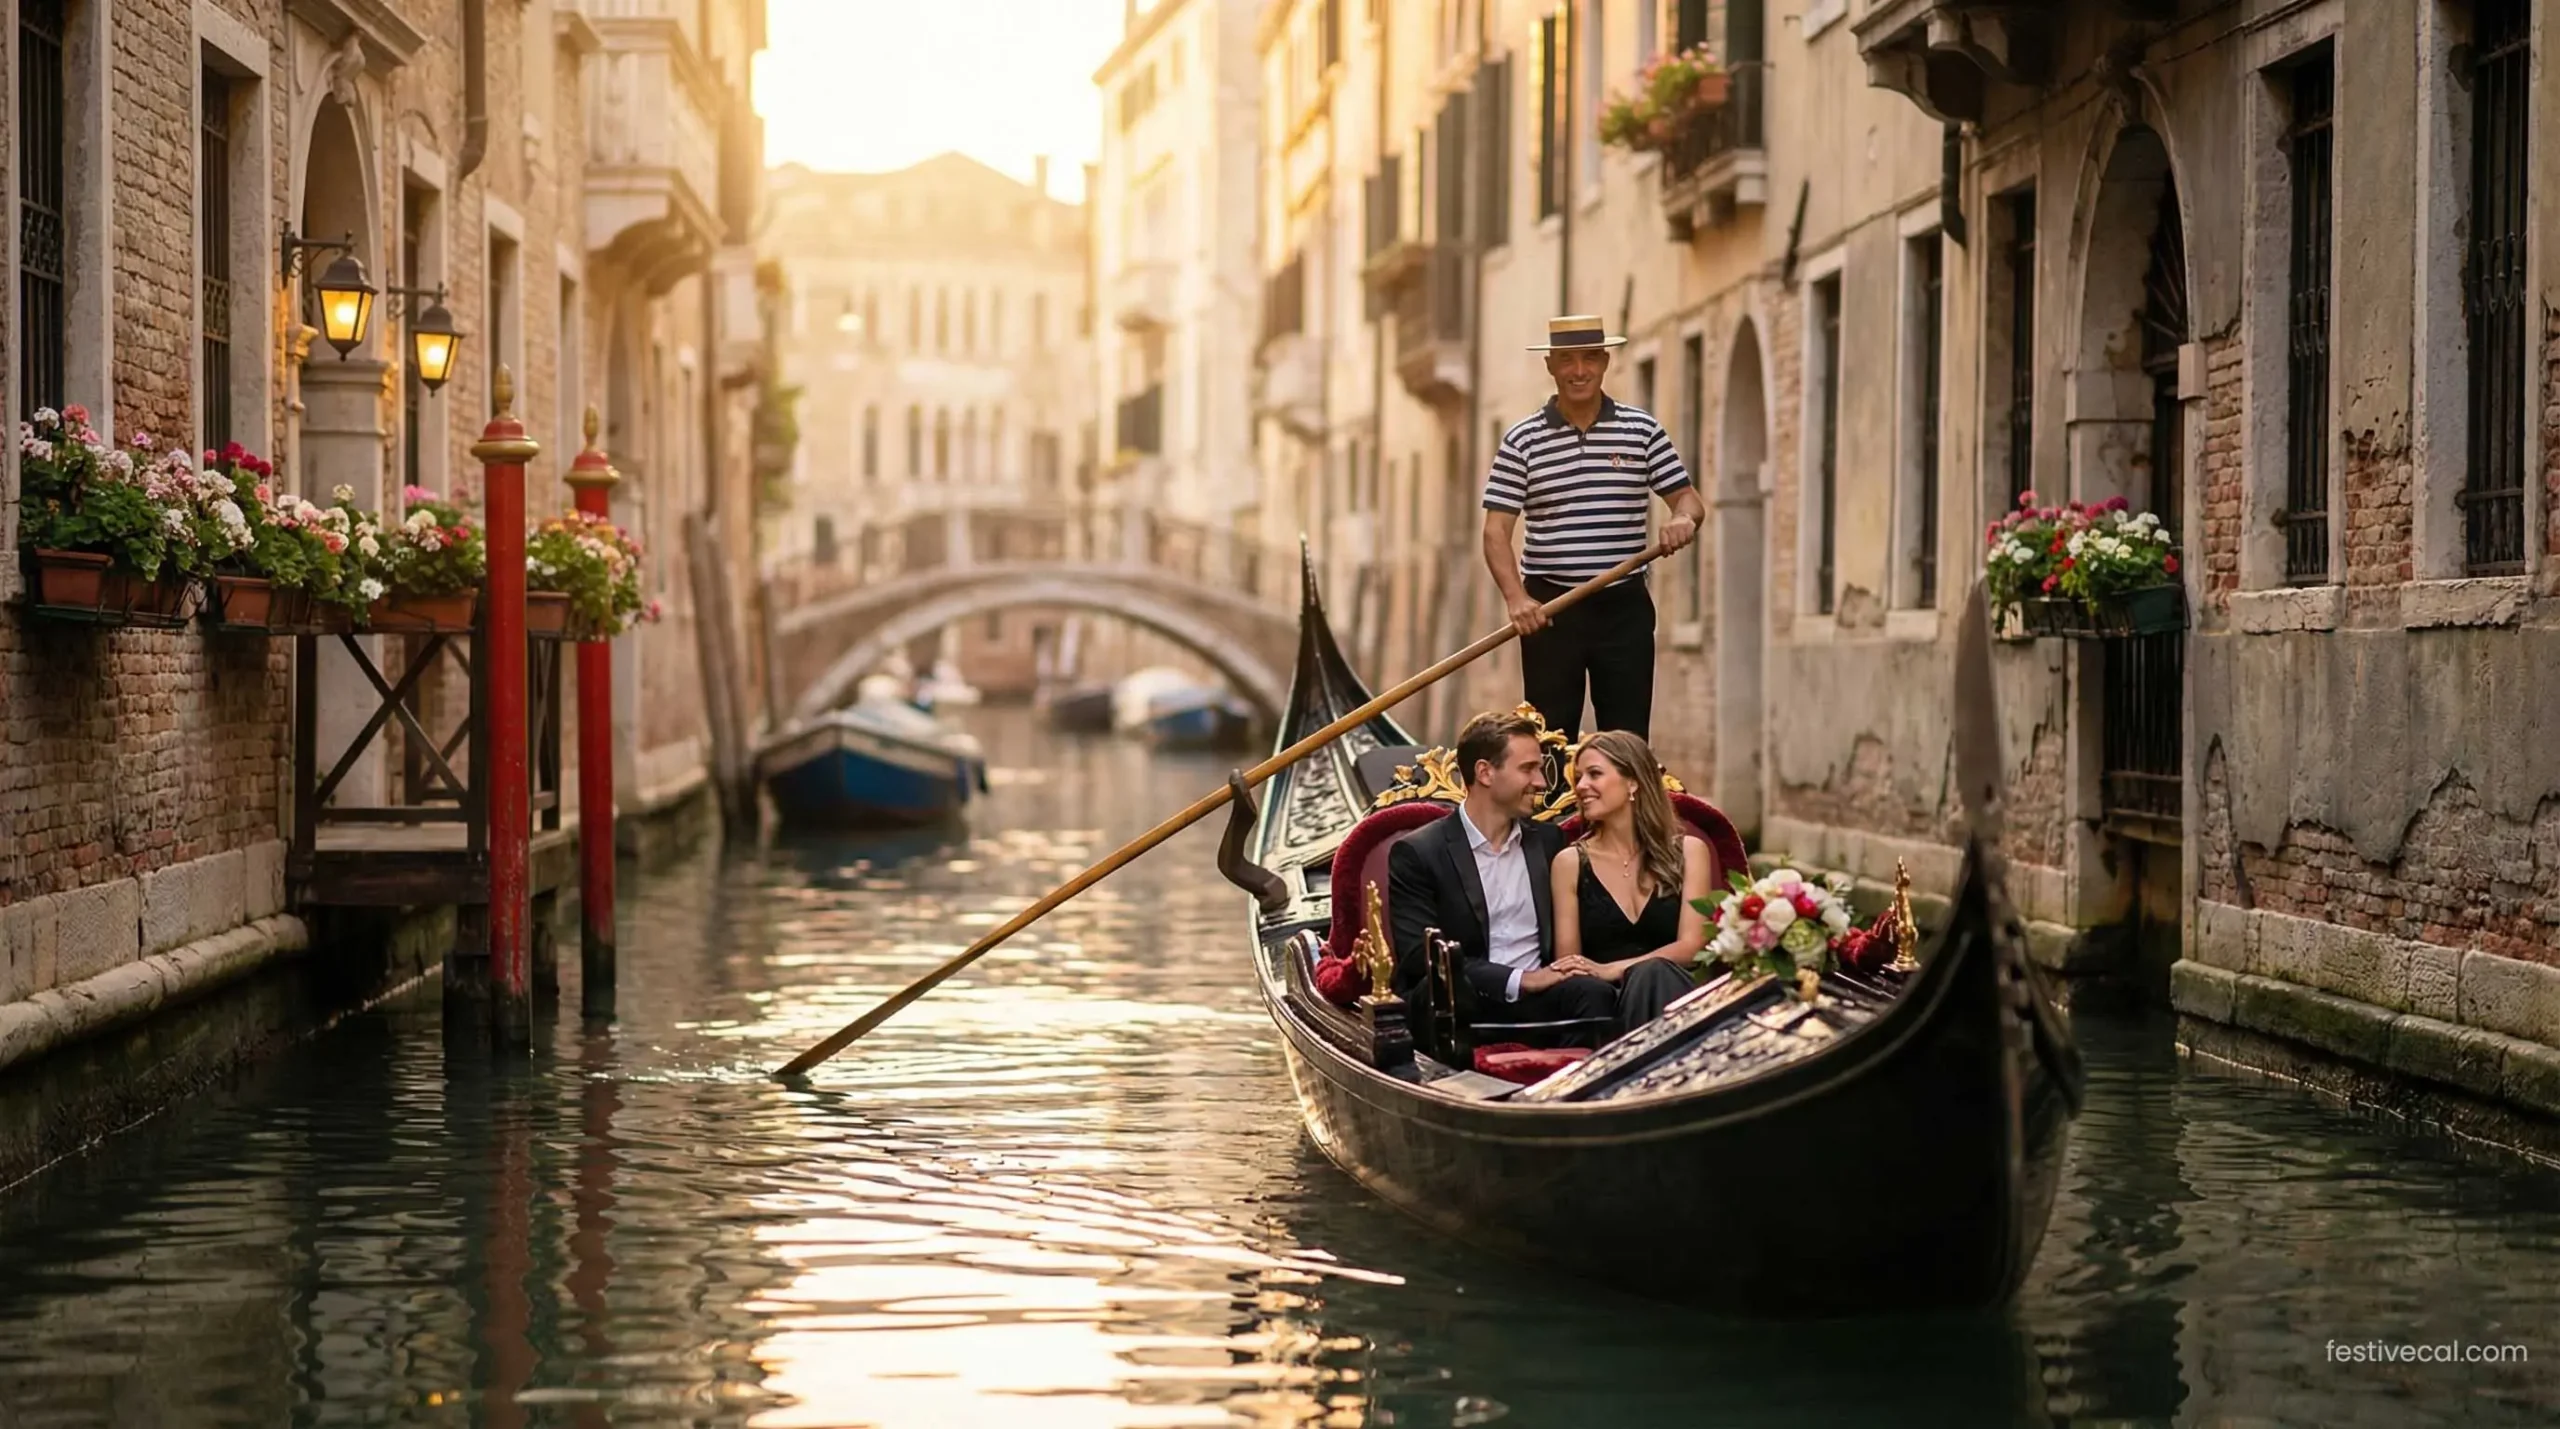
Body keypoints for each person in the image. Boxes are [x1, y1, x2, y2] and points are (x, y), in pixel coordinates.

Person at [1483, 315, 1706, 743]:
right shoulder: (1522, 441)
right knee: (1549, 739)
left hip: (1623, 608)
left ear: (1604, 362)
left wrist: (1681, 520)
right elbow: (1496, 532)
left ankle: (1623, 811)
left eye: (1589, 358)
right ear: (1551, 366)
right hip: (1550, 611)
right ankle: (1550, 811)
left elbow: (1688, 501)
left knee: (1626, 740)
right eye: (1567, 360)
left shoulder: (1642, 431)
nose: (1579, 370)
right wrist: (1517, 599)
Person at [1384, 709, 1616, 1050]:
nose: (1541, 783)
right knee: (1444, 988)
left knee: (1591, 993)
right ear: (1485, 772)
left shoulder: (1549, 842)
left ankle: (1574, 1085)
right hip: (1466, 1000)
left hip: (1543, 1000)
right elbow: (1421, 957)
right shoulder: (1418, 852)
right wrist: (1521, 979)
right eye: (1528, 769)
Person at [1548, 731, 1712, 1035]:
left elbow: (1692, 946)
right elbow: (1571, 965)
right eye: (1579, 777)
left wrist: (1619, 968)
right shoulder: (1569, 863)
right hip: (1606, 1005)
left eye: (1594, 774)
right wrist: (1609, 976)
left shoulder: (1690, 852)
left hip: (1675, 997)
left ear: (1633, 782)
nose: (1581, 787)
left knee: (1652, 974)